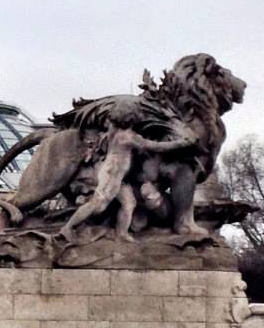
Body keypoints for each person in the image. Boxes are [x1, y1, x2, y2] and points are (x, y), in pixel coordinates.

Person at [58, 105, 196, 244]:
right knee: (97, 205)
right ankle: (67, 228)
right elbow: (156, 146)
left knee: (129, 202)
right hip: (112, 176)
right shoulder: (128, 137)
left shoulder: (114, 132)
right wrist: (180, 143)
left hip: (115, 175)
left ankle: (121, 233)